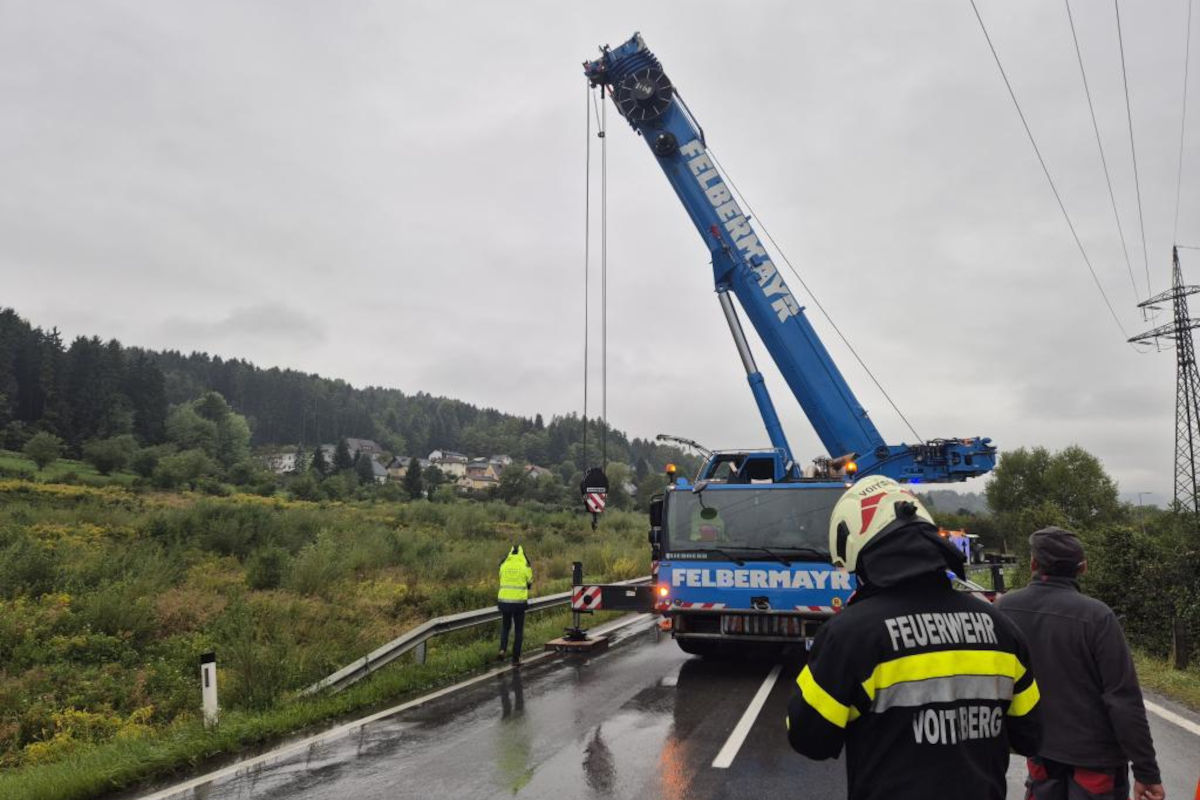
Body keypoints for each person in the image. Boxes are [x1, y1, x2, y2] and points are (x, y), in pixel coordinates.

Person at [786, 475, 1042, 800]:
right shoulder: (1001, 628)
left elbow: (810, 738)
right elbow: (1030, 736)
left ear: (858, 551)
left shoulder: (849, 635)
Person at [996, 527, 1165, 800]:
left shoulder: (1004, 609)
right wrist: (1147, 772)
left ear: (1033, 564)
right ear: (1083, 568)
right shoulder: (1097, 617)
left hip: (1040, 753)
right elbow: (1123, 701)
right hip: (1096, 763)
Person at [497, 544, 533, 666]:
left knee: (505, 627)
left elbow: (500, 577)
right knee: (518, 630)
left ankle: (502, 649)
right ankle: (516, 658)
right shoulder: (524, 565)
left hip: (504, 601)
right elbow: (530, 581)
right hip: (518, 603)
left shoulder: (504, 564)